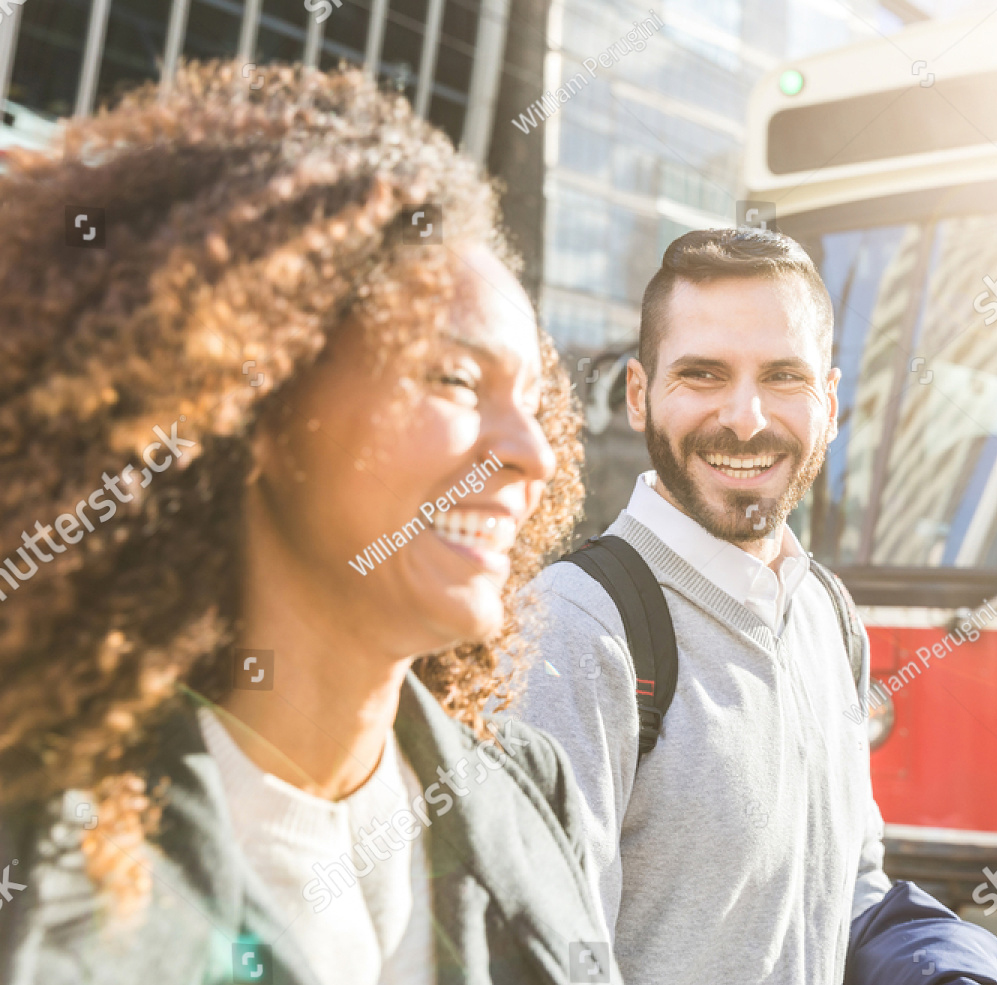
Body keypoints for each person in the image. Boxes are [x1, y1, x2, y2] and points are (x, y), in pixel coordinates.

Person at [0, 62, 613, 985]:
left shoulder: (531, 799)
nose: (530, 455)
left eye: (533, 400)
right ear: (257, 403)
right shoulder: (43, 843)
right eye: (452, 378)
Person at [514, 228, 891, 984]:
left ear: (832, 401)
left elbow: (851, 884)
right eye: (703, 374)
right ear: (636, 395)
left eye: (784, 375)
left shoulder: (829, 615)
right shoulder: (575, 629)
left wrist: (940, 961)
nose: (745, 418)